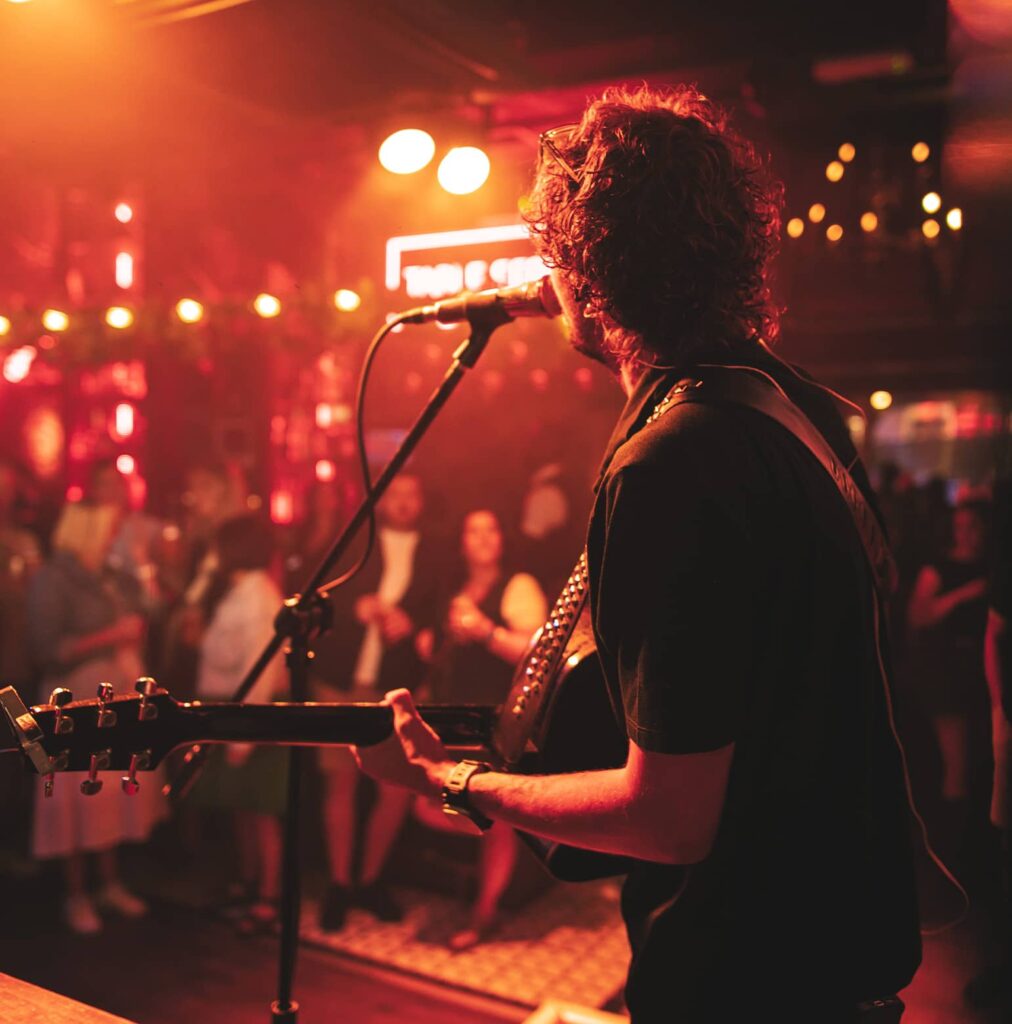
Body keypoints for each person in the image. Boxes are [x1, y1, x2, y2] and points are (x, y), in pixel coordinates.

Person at [354, 84, 921, 1022]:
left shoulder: (672, 463)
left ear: (585, 268)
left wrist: (455, 779)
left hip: (745, 981)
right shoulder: (795, 413)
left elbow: (668, 816)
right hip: (835, 952)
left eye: (552, 254)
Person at [310, 472, 440, 931]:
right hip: (341, 678)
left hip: (396, 683)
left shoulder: (433, 552)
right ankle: (340, 884)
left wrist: (414, 622)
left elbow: (441, 608)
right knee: (339, 784)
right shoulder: (354, 541)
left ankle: (370, 880)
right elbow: (317, 591)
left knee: (395, 788)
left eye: (412, 494)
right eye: (396, 495)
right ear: (382, 501)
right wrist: (355, 607)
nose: (403, 503)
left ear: (421, 502)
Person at [27, 501, 164, 934]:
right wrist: (111, 636)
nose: (113, 536)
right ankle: (76, 893)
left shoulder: (108, 575)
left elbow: (151, 607)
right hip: (72, 704)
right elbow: (46, 650)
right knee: (72, 798)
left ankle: (109, 883)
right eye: (107, 529)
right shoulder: (52, 579)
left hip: (109, 699)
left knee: (104, 796)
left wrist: (141, 569)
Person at [417, 508, 547, 949]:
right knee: (429, 804)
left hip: (498, 721)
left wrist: (486, 631)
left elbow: (535, 655)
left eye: (492, 528)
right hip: (455, 720)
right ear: (462, 542)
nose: (484, 537)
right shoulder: (455, 590)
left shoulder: (518, 585)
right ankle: (498, 846)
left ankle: (484, 911)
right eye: (473, 529)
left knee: (490, 809)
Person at [188, 513, 287, 936]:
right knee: (242, 807)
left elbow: (260, 670)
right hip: (231, 712)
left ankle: (268, 896)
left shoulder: (259, 596)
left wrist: (244, 734)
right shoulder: (239, 590)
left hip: (251, 715)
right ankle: (248, 884)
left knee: (262, 811)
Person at [906, 501, 990, 858]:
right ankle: (951, 854)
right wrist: (963, 595)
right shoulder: (938, 568)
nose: (965, 534)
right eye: (960, 526)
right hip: (945, 676)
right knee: (956, 762)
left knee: (975, 759)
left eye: (972, 526)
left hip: (979, 674)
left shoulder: (994, 566)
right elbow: (919, 616)